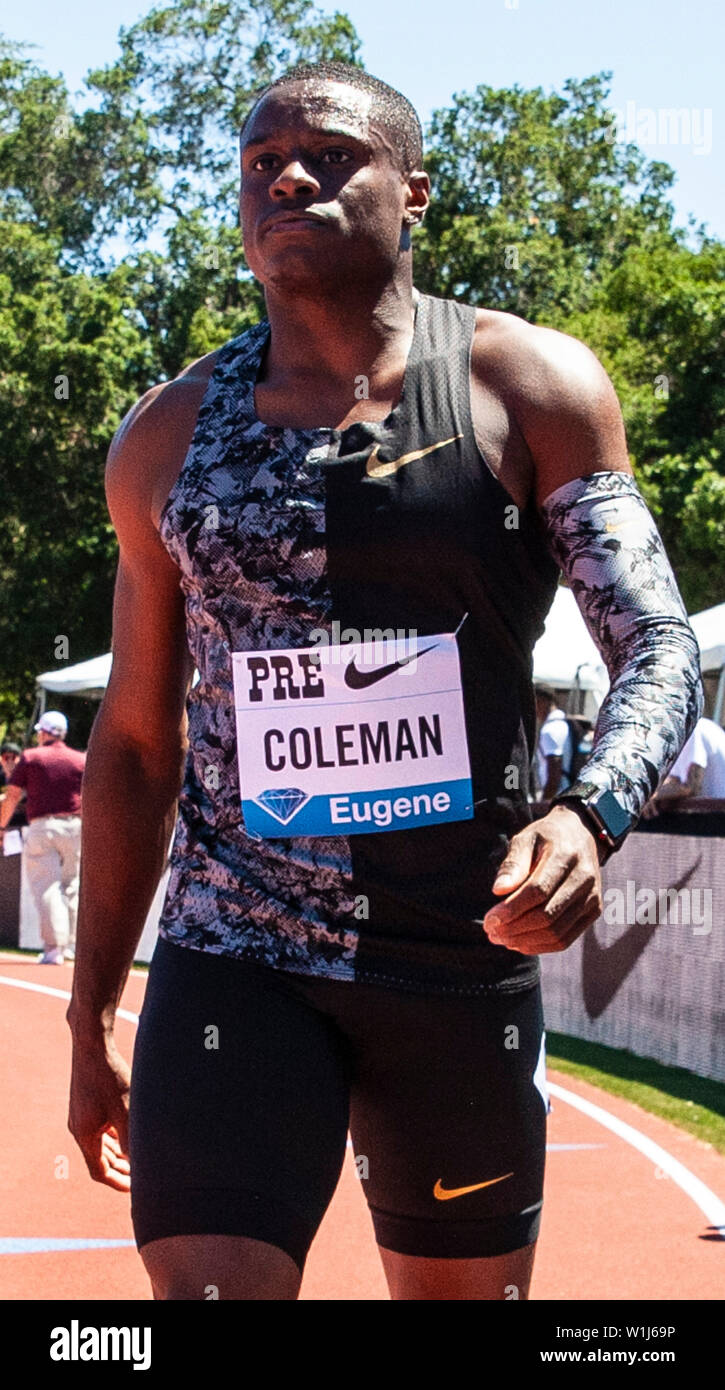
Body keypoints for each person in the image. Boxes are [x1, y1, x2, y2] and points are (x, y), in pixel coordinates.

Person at [65, 62, 703, 1301]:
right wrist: (91, 1009)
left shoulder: (528, 387)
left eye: (328, 155)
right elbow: (136, 748)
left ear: (412, 191)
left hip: (452, 957)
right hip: (233, 948)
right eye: (260, 162)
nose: (287, 175)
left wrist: (591, 810)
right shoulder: (166, 435)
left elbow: (659, 643)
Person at [0, 711, 85, 964]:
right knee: (72, 884)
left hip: (43, 826)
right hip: (76, 827)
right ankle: (71, 946)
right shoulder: (80, 759)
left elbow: (13, 795)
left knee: (47, 885)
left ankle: (54, 948)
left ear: (44, 733)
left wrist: (1, 826)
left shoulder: (31, 757)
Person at [652, 715, 725, 806]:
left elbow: (690, 787)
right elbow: (675, 780)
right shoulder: (705, 727)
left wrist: (650, 797)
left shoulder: (694, 729)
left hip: (715, 813)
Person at [534, 686, 573, 799]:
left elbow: (554, 774)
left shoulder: (550, 730)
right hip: (568, 790)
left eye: (535, 703)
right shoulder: (564, 723)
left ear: (544, 701)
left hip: (557, 796)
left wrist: (545, 800)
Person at [0, 742, 27, 830]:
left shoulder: (26, 777)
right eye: (6, 758)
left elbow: (21, 795)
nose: (10, 761)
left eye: (14, 758)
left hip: (22, 822)